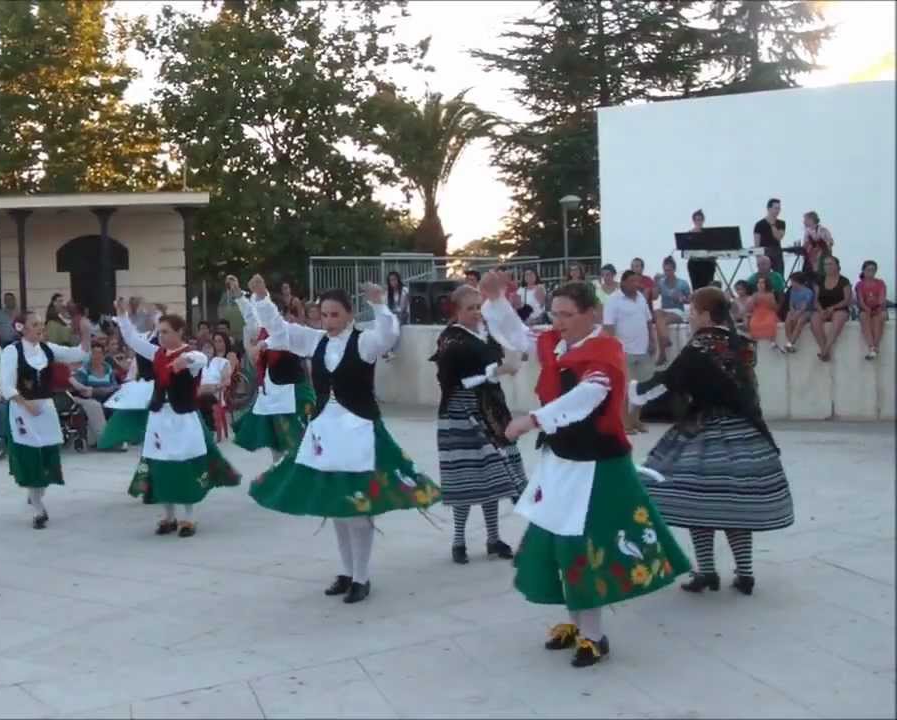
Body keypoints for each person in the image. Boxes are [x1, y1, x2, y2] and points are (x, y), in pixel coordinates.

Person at [478, 272, 689, 668]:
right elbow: (518, 335)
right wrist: (497, 300)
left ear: (591, 313)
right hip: (561, 462)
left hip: (596, 466)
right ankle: (576, 624)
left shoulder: (605, 351)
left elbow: (588, 396)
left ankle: (594, 636)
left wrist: (532, 420)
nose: (558, 321)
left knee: (583, 547)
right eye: (555, 313)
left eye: (567, 314)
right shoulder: (556, 344)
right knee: (558, 544)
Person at [246, 276, 440, 605]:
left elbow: (389, 334)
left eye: (335, 314)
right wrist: (262, 298)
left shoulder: (363, 343)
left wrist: (379, 303)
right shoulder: (315, 340)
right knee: (337, 506)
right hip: (326, 432)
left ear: (349, 315)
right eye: (324, 314)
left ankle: (361, 577)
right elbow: (279, 331)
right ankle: (347, 572)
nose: (329, 320)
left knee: (356, 507)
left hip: (359, 430)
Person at [632, 287, 793, 596]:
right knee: (736, 505)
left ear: (705, 315)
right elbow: (747, 391)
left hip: (705, 432)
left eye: (693, 311)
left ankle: (707, 572)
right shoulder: (743, 344)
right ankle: (744, 574)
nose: (691, 317)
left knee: (697, 502)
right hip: (745, 433)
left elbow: (670, 381)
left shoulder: (700, 345)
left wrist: (634, 390)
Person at [117, 300, 241, 537]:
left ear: (179, 332)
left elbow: (201, 359)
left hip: (183, 418)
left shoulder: (190, 354)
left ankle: (188, 518)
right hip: (159, 418)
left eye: (166, 332)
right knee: (161, 466)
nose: (161, 337)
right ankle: (169, 516)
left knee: (185, 467)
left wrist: (186, 360)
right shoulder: (157, 354)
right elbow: (132, 340)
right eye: (160, 332)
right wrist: (122, 316)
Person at [431, 285, 527, 564]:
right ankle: (458, 540)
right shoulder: (450, 340)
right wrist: (493, 372)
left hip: (493, 410)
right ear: (457, 311)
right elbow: (452, 381)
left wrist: (502, 368)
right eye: (469, 308)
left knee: (495, 475)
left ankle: (493, 538)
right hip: (461, 411)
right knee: (465, 477)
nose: (475, 313)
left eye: (478, 307)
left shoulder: (488, 334)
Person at [1, 307, 92, 529]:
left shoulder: (48, 349)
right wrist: (25, 403)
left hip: (46, 409)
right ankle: (39, 508)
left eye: (41, 323)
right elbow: (6, 385)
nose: (40, 328)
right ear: (21, 328)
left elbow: (79, 354)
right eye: (35, 324)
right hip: (23, 410)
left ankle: (36, 494)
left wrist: (86, 333)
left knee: (46, 455)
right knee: (31, 456)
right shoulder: (12, 351)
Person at [233, 274, 317, 463]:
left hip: (292, 392)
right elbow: (249, 313)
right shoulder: (262, 329)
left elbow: (276, 333)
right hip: (271, 394)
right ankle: (278, 470)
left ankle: (298, 472)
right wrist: (238, 294)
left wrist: (261, 346)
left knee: (297, 440)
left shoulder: (288, 331)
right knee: (275, 440)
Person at [97, 305, 163, 451]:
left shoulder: (159, 340)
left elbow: (132, 339)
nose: (145, 317)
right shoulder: (144, 337)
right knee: (126, 411)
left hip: (158, 385)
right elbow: (132, 341)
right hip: (142, 383)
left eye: (151, 314)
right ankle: (115, 440)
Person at [602, 271, 655, 434]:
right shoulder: (613, 300)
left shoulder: (640, 298)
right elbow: (608, 326)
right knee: (624, 390)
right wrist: (612, 350)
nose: (636, 284)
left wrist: (652, 341)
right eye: (632, 281)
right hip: (624, 351)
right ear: (623, 282)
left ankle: (635, 420)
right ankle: (625, 424)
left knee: (642, 389)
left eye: (637, 281)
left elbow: (648, 321)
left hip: (643, 350)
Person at [70, 341, 119, 448]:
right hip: (90, 401)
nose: (97, 356)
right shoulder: (84, 370)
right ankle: (104, 439)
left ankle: (117, 437)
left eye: (99, 353)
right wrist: (101, 390)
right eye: (94, 353)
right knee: (93, 407)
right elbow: (83, 391)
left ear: (103, 355)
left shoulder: (107, 368)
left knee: (118, 407)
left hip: (107, 399)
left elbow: (115, 385)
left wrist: (101, 390)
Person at [809, 256, 852, 362]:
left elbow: (847, 300)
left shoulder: (844, 281)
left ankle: (825, 350)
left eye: (830, 264)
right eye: (825, 264)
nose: (827, 266)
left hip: (839, 308)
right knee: (814, 320)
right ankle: (824, 350)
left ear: (837, 266)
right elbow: (815, 300)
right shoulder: (820, 280)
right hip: (822, 309)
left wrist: (833, 308)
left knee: (838, 319)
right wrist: (821, 310)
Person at [196, 331, 237, 434]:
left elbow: (227, 381)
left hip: (216, 393)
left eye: (209, 347)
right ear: (200, 350)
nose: (207, 350)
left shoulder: (221, 361)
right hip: (199, 392)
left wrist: (217, 386)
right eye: (204, 348)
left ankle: (208, 427)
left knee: (205, 396)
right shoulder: (198, 364)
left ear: (213, 349)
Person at [652, 256, 691, 365]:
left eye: (669, 270)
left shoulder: (682, 283)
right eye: (665, 270)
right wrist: (655, 283)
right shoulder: (661, 282)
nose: (666, 272)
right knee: (657, 313)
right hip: (665, 310)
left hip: (677, 310)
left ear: (674, 269)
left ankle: (662, 354)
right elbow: (654, 297)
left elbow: (690, 300)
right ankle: (666, 339)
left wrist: (681, 298)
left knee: (661, 321)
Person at [856, 260, 887, 360]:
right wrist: (867, 309)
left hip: (878, 308)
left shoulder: (880, 283)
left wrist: (878, 309)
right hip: (865, 309)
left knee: (880, 317)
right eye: (868, 270)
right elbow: (860, 300)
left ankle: (875, 347)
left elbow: (882, 298)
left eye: (873, 270)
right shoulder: (859, 284)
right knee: (863, 317)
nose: (871, 272)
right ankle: (871, 346)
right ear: (863, 271)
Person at [753, 198, 787, 275]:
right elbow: (756, 243)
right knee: (764, 276)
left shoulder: (781, 223)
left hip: (776, 252)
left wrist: (772, 224)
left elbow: (778, 237)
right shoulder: (759, 224)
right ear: (769, 208)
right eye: (776, 208)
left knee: (779, 275)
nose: (778, 211)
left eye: (779, 208)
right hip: (764, 252)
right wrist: (758, 258)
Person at [685, 209, 718, 290]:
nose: (698, 222)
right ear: (693, 221)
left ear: (703, 220)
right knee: (696, 288)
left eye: (700, 219)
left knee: (708, 288)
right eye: (696, 220)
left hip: (707, 263)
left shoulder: (708, 234)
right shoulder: (689, 234)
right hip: (694, 263)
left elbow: (714, 248)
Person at [782, 272, 815, 353]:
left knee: (800, 321)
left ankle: (790, 343)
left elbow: (804, 306)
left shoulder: (808, 292)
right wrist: (793, 312)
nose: (791, 283)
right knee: (788, 319)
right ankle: (790, 342)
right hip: (796, 310)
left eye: (792, 281)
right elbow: (791, 304)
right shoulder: (793, 291)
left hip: (807, 311)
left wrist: (797, 314)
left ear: (798, 282)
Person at [802, 211, 834, 282]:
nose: (803, 222)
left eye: (805, 220)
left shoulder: (823, 230)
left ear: (811, 220)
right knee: (807, 276)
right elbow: (805, 245)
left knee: (820, 278)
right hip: (810, 259)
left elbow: (830, 243)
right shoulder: (807, 231)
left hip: (821, 259)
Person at [748, 276, 780, 347]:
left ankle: (772, 341)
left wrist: (769, 301)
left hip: (768, 313)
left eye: (762, 283)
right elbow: (750, 308)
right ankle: (754, 341)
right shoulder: (755, 294)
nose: (760, 284)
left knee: (770, 323)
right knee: (753, 324)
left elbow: (774, 307)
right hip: (757, 313)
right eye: (758, 283)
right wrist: (753, 300)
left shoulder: (770, 294)